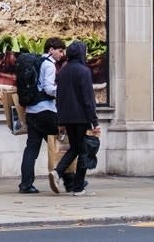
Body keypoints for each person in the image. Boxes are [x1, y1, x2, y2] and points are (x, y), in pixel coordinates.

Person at [49, 40, 100, 196]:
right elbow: (88, 99)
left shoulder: (63, 71)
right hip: (81, 117)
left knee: (76, 148)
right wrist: (94, 121)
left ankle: (58, 172)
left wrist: (60, 119)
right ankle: (78, 187)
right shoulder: (83, 71)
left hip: (67, 117)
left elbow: (60, 96)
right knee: (84, 150)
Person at [17, 38, 67, 194]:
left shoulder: (37, 62)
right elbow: (48, 88)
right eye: (60, 50)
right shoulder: (49, 65)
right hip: (46, 112)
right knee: (61, 146)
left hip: (32, 111)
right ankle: (71, 180)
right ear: (51, 49)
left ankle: (25, 184)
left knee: (31, 149)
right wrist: (62, 91)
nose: (62, 54)